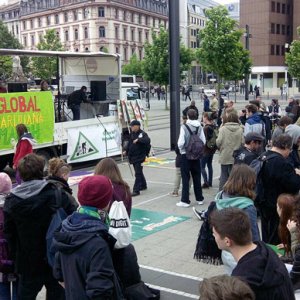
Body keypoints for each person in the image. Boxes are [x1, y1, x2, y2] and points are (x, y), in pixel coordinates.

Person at [4, 153, 77, 300]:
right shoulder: (56, 193)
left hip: (27, 262)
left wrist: (16, 258)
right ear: (41, 170)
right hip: (55, 258)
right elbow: (74, 220)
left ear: (20, 174)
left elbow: (9, 235)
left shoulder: (11, 201)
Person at [53, 175, 124, 300]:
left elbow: (59, 273)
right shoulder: (98, 242)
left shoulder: (67, 227)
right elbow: (100, 291)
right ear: (106, 202)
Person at [210, 207, 296, 300]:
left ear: (227, 241)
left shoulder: (240, 281)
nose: (213, 236)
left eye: (215, 234)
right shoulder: (267, 251)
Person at [209, 164, 260, 274]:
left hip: (226, 250)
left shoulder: (221, 197)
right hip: (243, 253)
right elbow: (253, 235)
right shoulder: (247, 206)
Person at [259, 134, 300, 245]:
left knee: (266, 235)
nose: (290, 152)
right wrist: (297, 175)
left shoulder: (263, 156)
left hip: (263, 202)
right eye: (290, 149)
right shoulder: (281, 163)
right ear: (286, 146)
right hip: (278, 205)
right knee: (277, 238)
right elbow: (294, 185)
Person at [176, 109, 206, 207]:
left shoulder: (184, 127)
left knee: (185, 178)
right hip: (197, 156)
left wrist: (182, 150)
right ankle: (199, 198)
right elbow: (203, 141)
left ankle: (185, 200)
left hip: (186, 155)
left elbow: (180, 143)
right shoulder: (200, 127)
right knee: (197, 176)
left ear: (188, 116)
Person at [216, 112, 244, 191]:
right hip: (236, 155)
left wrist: (220, 147)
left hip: (225, 154)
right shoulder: (240, 129)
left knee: (224, 175)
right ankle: (234, 191)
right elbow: (243, 142)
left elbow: (218, 142)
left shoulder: (223, 129)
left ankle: (222, 192)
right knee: (234, 176)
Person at [0, 173, 17, 300]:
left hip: (0, 261)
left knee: (2, 289)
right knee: (18, 288)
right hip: (16, 257)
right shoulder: (17, 203)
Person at [123, 120, 151, 197]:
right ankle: (143, 185)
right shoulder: (132, 134)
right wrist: (126, 150)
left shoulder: (142, 134)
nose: (131, 127)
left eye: (132, 126)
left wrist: (139, 140)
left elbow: (147, 140)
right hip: (133, 157)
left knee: (137, 173)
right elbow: (129, 144)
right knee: (138, 172)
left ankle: (136, 190)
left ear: (137, 126)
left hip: (140, 156)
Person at [201, 112, 217, 188]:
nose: (202, 118)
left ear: (206, 118)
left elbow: (203, 140)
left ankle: (206, 182)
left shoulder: (206, 128)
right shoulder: (214, 126)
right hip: (212, 149)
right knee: (209, 165)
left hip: (205, 150)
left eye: (203, 117)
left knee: (202, 166)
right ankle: (210, 182)